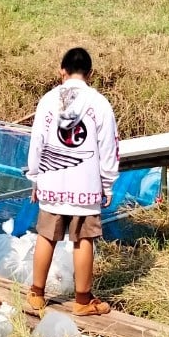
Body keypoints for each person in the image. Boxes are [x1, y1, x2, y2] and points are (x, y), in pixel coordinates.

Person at [25, 47, 120, 317]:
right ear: (90, 74)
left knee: (47, 235)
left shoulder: (48, 101)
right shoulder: (99, 103)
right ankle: (82, 301)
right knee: (84, 239)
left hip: (51, 180)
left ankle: (36, 295)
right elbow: (108, 145)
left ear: (61, 72)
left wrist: (35, 177)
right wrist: (107, 182)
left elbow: (37, 142)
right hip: (85, 183)